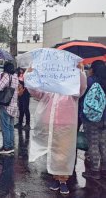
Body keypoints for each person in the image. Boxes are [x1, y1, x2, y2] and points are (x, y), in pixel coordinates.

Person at [28, 64, 87, 195]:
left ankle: (63, 181)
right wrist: (30, 75)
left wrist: (80, 72)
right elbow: (35, 92)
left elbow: (82, 87)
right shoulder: (49, 90)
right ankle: (55, 178)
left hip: (67, 126)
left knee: (65, 155)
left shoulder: (72, 91)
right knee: (53, 153)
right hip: (50, 125)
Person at [81, 61, 106, 180]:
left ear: (93, 69)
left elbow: (82, 96)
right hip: (105, 118)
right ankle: (104, 169)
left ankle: (95, 170)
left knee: (93, 144)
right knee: (103, 143)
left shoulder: (90, 81)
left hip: (91, 118)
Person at [0, 62, 19, 155]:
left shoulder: (6, 76)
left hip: (5, 104)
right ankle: (10, 145)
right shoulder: (15, 77)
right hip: (13, 105)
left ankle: (6, 147)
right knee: (10, 127)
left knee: (5, 127)